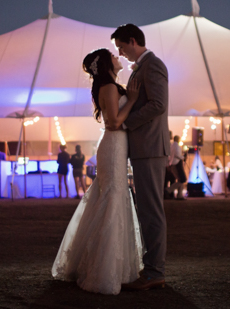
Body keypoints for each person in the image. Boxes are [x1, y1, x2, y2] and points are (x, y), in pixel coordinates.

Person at [52, 47, 142, 294]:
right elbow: (114, 122)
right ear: (106, 64)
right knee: (112, 197)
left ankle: (107, 264)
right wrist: (132, 100)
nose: (117, 57)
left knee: (110, 197)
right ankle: (104, 270)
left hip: (114, 146)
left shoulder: (109, 86)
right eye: (113, 56)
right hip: (113, 146)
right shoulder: (110, 88)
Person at [111, 24, 170, 291]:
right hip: (144, 149)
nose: (121, 54)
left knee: (151, 210)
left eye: (122, 48)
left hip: (150, 148)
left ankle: (155, 270)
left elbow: (158, 104)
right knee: (146, 209)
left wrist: (127, 123)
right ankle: (152, 267)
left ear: (133, 41)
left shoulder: (153, 65)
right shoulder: (143, 67)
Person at [167, 135, 187, 200]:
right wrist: (183, 157)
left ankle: (179, 195)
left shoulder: (171, 146)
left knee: (180, 180)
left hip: (172, 164)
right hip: (177, 164)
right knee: (182, 179)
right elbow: (177, 155)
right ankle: (168, 190)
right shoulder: (177, 146)